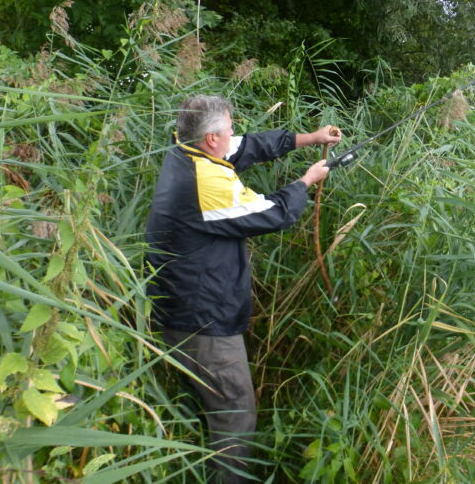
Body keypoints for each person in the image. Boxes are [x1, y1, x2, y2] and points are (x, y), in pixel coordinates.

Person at [145, 94, 341, 483]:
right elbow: (272, 212)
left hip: (177, 307)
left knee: (207, 403)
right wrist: (306, 181)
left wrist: (309, 138)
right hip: (202, 321)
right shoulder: (206, 183)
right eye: (228, 127)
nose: (234, 133)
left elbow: (246, 146)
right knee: (235, 409)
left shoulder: (185, 150)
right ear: (211, 139)